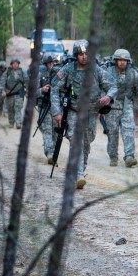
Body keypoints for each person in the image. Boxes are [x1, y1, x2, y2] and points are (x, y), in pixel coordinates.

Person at [51, 40, 117, 189]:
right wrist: (56, 111)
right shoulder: (68, 69)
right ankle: (78, 174)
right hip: (73, 112)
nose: (84, 57)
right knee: (76, 142)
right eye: (81, 54)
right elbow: (54, 88)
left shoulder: (96, 70)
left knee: (86, 142)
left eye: (87, 53)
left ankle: (80, 169)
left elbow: (112, 86)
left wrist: (109, 97)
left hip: (91, 112)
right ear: (76, 55)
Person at [103, 49, 138, 167]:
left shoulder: (133, 74)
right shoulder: (107, 72)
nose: (122, 62)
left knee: (128, 131)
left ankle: (129, 156)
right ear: (115, 61)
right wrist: (100, 106)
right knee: (112, 133)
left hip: (127, 105)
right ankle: (113, 157)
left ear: (128, 61)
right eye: (120, 60)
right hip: (111, 106)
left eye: (124, 60)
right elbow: (101, 88)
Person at [36, 55, 57, 164]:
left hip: (56, 108)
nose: (51, 65)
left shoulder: (59, 74)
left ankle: (53, 151)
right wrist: (42, 90)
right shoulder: (39, 74)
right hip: (44, 106)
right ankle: (49, 153)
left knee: (56, 132)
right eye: (49, 63)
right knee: (47, 130)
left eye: (52, 62)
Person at [0, 57, 29, 129]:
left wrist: (27, 92)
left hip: (19, 93)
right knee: (10, 108)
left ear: (18, 64)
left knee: (18, 108)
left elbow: (27, 82)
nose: (15, 65)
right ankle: (11, 122)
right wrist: (2, 90)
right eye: (14, 63)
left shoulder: (22, 72)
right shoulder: (7, 72)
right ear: (11, 64)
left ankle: (18, 123)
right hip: (9, 93)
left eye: (16, 63)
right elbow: (2, 81)